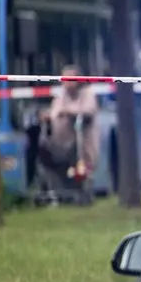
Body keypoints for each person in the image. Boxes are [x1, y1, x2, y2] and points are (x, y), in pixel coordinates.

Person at [40, 66, 100, 204]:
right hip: (58, 142)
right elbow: (54, 112)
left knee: (79, 161)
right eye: (64, 80)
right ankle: (54, 191)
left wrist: (67, 112)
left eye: (70, 79)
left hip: (80, 142)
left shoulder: (87, 93)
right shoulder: (60, 97)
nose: (67, 83)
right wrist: (47, 117)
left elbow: (88, 111)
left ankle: (81, 192)